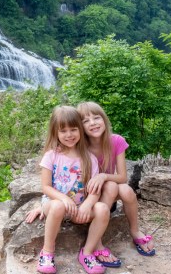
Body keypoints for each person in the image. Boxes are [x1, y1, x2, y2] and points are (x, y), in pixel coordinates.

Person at [33, 105, 110, 274]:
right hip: (54, 205)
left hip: (78, 210)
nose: (69, 135)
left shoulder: (89, 158)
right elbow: (45, 187)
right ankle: (47, 252)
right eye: (63, 131)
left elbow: (95, 190)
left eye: (73, 129)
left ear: (80, 130)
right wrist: (64, 199)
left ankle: (87, 253)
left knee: (102, 208)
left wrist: (87, 205)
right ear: (55, 133)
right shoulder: (51, 155)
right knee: (58, 206)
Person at [78, 101, 156, 266]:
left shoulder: (116, 141)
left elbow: (122, 177)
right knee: (112, 185)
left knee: (127, 191)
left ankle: (135, 231)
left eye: (96, 118)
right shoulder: (80, 146)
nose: (92, 123)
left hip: (108, 194)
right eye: (86, 121)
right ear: (80, 127)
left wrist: (103, 176)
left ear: (104, 120)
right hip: (89, 197)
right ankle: (96, 242)